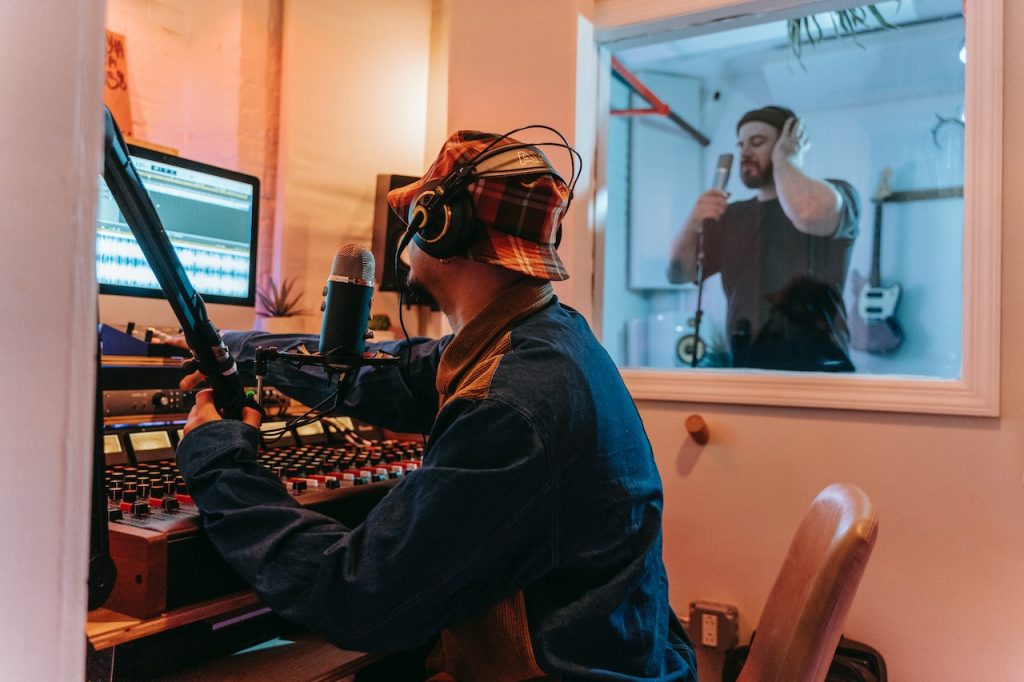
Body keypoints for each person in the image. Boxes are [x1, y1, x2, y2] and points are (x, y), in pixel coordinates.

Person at [175, 130, 697, 680]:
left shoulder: (511, 406)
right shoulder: (543, 337)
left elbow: (355, 596)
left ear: (441, 224)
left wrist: (215, 456)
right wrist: (236, 351)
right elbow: (398, 373)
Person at [667, 105, 860, 372]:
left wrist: (786, 159)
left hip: (821, 373)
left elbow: (808, 211)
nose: (745, 152)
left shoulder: (835, 194)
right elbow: (678, 272)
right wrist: (694, 219)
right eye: (741, 144)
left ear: (790, 142)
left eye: (757, 142)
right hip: (748, 369)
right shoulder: (732, 216)